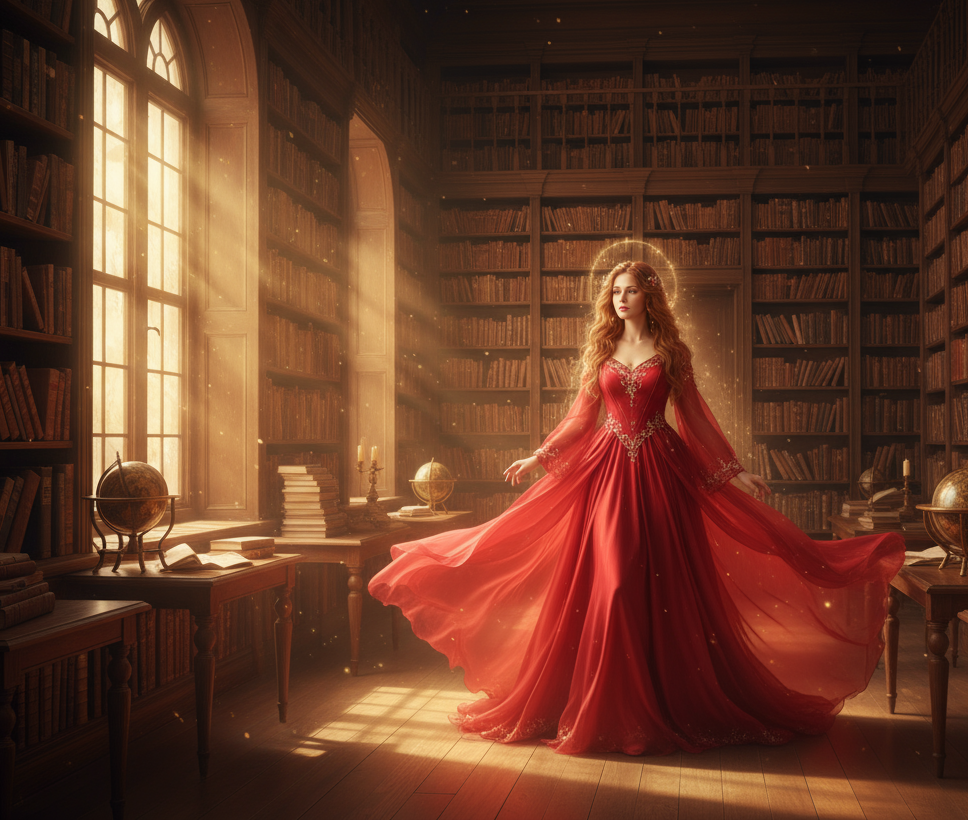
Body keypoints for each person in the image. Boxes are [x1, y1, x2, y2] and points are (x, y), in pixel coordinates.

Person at [369, 260, 905, 755]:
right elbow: (582, 418)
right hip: (604, 472)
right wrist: (539, 456)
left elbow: (693, 418)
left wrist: (736, 472)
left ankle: (656, 699)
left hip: (661, 472)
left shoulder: (672, 354)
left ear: (651, 297)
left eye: (631, 291)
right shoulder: (601, 352)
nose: (621, 299)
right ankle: (604, 702)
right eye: (616, 292)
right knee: (612, 581)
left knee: (662, 585)